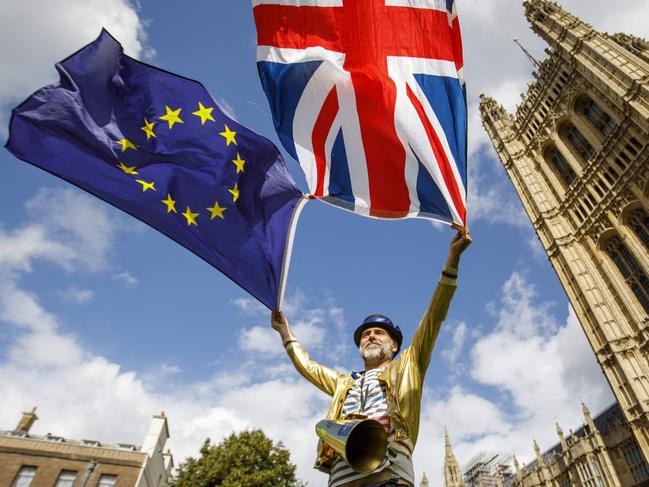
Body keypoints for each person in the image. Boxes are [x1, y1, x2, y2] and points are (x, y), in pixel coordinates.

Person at [271, 224, 472, 487]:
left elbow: (434, 315)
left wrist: (452, 262)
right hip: (342, 479)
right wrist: (286, 335)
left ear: (395, 346)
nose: (371, 336)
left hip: (389, 475)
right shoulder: (345, 382)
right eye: (366, 334)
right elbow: (309, 367)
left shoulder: (408, 366)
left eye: (379, 332)